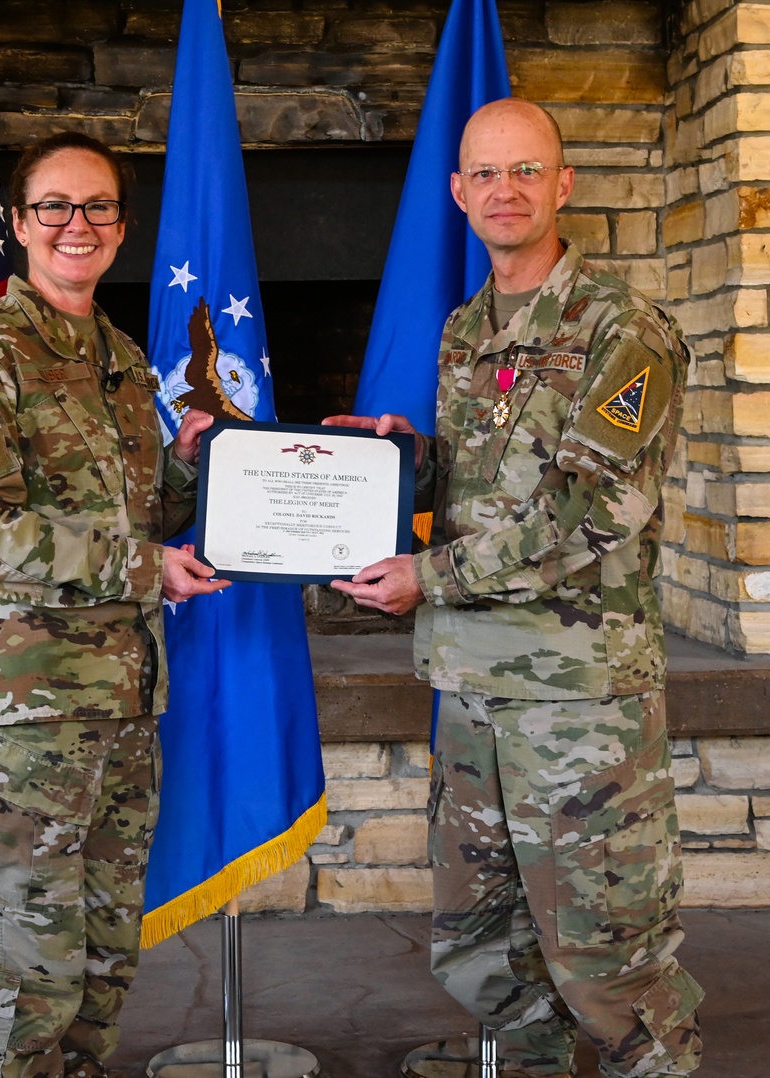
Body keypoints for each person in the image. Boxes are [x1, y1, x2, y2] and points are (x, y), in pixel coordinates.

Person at [327, 98, 703, 1078]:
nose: (505, 191)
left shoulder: (626, 331)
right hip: (473, 694)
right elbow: (474, 485)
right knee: (485, 941)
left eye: (526, 171)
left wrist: (429, 575)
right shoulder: (464, 330)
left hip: (578, 707)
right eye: (486, 174)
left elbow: (589, 510)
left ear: (562, 183)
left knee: (606, 954)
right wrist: (388, 462)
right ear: (458, 192)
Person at [0, 131, 228, 1078]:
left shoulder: (123, 358)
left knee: (100, 962)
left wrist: (188, 465)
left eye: (96, 208)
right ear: (16, 223)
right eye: (53, 206)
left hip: (124, 707)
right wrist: (144, 568)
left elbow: (138, 512)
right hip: (26, 719)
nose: (75, 225)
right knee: (29, 971)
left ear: (122, 230)